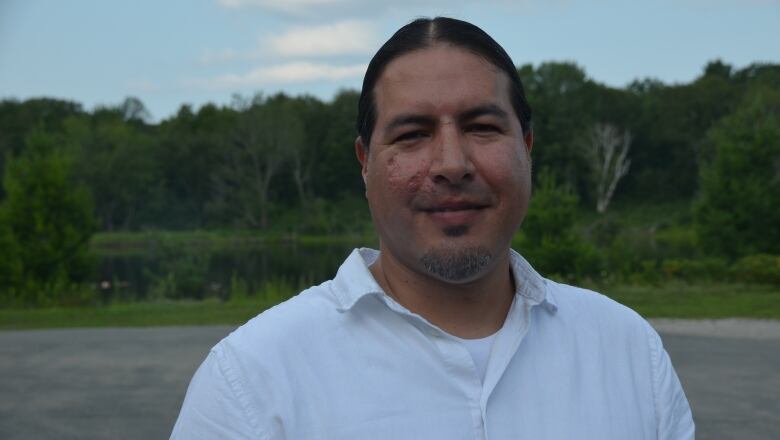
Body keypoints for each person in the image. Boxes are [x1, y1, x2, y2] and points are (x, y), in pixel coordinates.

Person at [171, 17, 694, 439]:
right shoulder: (251, 382)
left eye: (482, 127)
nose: (451, 163)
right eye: (413, 134)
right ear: (364, 162)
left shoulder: (627, 351)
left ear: (527, 149)